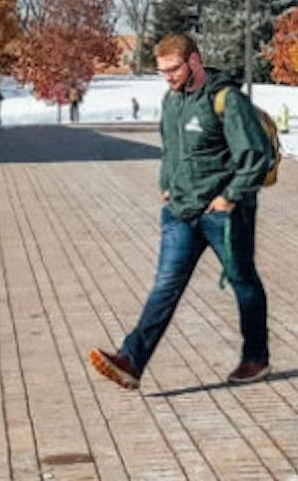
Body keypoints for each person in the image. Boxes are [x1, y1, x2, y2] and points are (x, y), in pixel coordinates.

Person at [90, 35, 275, 388]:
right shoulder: (172, 100)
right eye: (163, 71)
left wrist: (230, 197)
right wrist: (166, 184)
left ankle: (256, 358)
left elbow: (256, 155)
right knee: (165, 286)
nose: (169, 77)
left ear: (194, 61)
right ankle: (131, 360)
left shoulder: (227, 99)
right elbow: (171, 148)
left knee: (244, 282)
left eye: (174, 69)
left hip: (223, 214)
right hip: (180, 212)